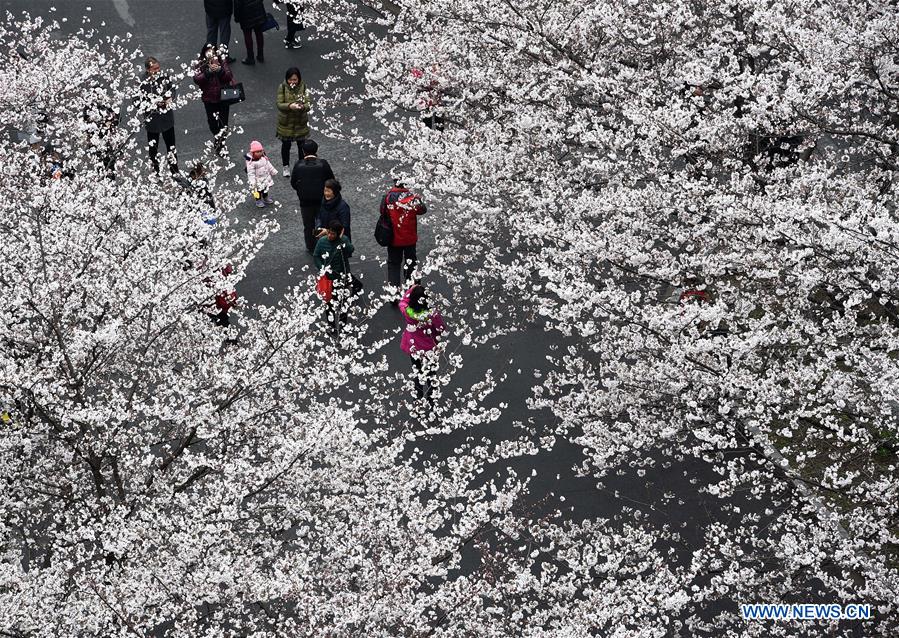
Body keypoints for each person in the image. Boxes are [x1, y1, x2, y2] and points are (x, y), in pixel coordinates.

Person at [398, 284, 446, 401]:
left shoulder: (407, 311)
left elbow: (403, 300)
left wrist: (412, 289)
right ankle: (431, 401)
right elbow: (441, 328)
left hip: (414, 347)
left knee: (417, 372)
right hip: (429, 348)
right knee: (431, 375)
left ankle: (418, 400)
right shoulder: (432, 314)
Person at [381, 180, 427, 300]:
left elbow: (382, 211)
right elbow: (422, 210)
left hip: (393, 238)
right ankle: (413, 292)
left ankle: (394, 294)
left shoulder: (387, 197)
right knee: (411, 263)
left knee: (394, 265)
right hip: (409, 238)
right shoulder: (412, 198)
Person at [290, 139, 334, 252]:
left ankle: (311, 246)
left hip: (305, 201)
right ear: (316, 151)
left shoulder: (298, 165)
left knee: (308, 225)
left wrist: (300, 191)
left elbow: (293, 182)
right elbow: (331, 180)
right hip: (321, 200)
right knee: (322, 222)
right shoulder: (323, 164)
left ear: (303, 152)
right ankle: (323, 243)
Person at [138, 56, 179, 177]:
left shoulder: (164, 77)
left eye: (158, 68)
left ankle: (175, 171)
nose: (157, 71)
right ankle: (155, 172)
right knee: (153, 149)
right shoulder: (142, 82)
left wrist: (170, 98)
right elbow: (136, 100)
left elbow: (172, 89)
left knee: (171, 147)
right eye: (154, 69)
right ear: (147, 69)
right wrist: (151, 104)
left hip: (166, 118)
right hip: (152, 120)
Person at [313, 220, 355, 328]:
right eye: (329, 232)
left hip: (342, 277)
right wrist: (322, 268)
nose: (330, 236)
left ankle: (343, 326)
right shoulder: (322, 241)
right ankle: (331, 326)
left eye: (333, 234)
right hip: (328, 279)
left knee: (343, 303)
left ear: (338, 234)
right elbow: (316, 256)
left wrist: (341, 240)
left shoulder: (343, 240)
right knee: (329, 304)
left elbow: (351, 250)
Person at [193, 44, 234, 153]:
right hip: (209, 98)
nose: (211, 55)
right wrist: (208, 72)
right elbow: (197, 79)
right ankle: (217, 138)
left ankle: (221, 146)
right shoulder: (200, 63)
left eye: (213, 52)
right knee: (212, 123)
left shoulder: (222, 60)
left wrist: (220, 70)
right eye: (208, 52)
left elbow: (229, 75)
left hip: (223, 97)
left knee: (224, 124)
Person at [276, 67, 310, 177]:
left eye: (295, 79)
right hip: (286, 123)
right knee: (286, 146)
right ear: (287, 79)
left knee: (301, 146)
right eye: (290, 79)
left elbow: (308, 104)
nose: (292, 82)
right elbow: (279, 104)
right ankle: (285, 166)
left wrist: (302, 107)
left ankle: (301, 166)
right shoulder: (282, 87)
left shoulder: (304, 87)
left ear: (299, 79)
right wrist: (290, 106)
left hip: (300, 122)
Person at [245, 140, 278, 207]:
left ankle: (265, 198)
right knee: (257, 191)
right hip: (257, 180)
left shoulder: (264, 158)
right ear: (253, 153)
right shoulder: (251, 163)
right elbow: (250, 173)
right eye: (257, 152)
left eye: (261, 151)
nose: (260, 153)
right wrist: (252, 181)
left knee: (265, 189)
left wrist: (273, 171)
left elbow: (268, 165)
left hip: (264, 178)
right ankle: (258, 200)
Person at [234, 0, 267, 65]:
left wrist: (237, 17)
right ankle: (260, 55)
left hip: (245, 13)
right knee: (259, 33)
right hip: (258, 9)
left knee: (247, 35)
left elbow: (237, 4)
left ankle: (250, 57)